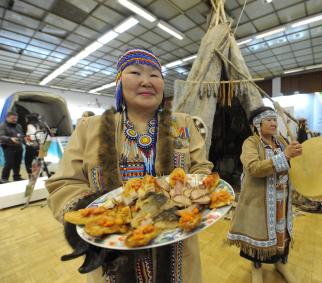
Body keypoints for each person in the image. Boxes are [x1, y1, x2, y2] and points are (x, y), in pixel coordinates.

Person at [45, 48, 213, 282]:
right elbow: (64, 183)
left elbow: (201, 169)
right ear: (119, 83)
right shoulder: (89, 128)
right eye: (135, 72)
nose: (146, 81)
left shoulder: (183, 124)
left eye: (155, 75)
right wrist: (91, 213)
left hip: (176, 246)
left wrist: (198, 191)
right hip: (113, 250)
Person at [227, 106, 302, 283]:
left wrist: (296, 153)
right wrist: (284, 156)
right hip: (259, 200)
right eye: (268, 119)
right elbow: (253, 168)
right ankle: (257, 268)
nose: (273, 123)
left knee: (282, 231)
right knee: (258, 232)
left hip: (282, 198)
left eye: (274, 119)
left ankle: (281, 263)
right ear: (257, 124)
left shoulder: (281, 141)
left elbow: (292, 162)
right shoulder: (251, 143)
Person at [0, 111, 24, 183]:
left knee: (17, 163)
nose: (15, 120)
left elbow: (21, 134)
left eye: (16, 118)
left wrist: (23, 139)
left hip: (19, 147)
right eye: (13, 118)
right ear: (7, 118)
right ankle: (4, 179)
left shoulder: (19, 126)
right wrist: (10, 139)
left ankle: (17, 177)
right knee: (9, 163)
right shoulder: (2, 126)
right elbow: (1, 136)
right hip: (8, 147)